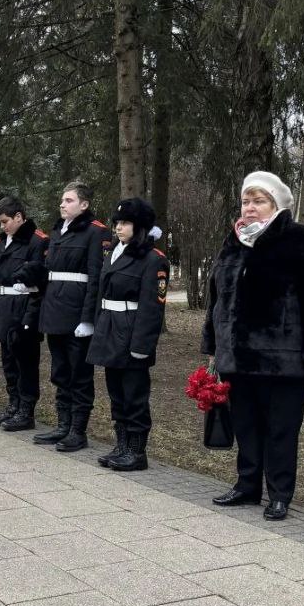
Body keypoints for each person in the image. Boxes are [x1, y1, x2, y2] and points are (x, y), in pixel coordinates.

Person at [203, 172, 304, 521]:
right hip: (238, 356)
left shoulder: (300, 239)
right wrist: (213, 344)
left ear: (276, 205)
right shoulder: (234, 240)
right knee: (246, 425)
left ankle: (279, 494)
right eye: (245, 201)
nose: (249, 207)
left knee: (281, 429)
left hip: (283, 358)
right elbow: (217, 298)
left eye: (258, 201)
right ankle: (247, 486)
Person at [87, 198, 169, 472]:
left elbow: (152, 308)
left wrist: (142, 346)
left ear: (140, 227)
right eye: (117, 223)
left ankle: (136, 451)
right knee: (116, 393)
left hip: (131, 331)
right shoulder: (113, 252)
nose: (118, 228)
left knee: (134, 395)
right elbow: (101, 294)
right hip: (110, 329)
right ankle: (121, 445)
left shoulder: (153, 259)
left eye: (125, 223)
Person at [36, 182, 110, 452]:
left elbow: (95, 278)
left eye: (69, 200)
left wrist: (88, 319)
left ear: (84, 204)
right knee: (60, 372)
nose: (62, 204)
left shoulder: (96, 232)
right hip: (54, 311)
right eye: (62, 200)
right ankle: (63, 425)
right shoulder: (58, 230)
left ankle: (78, 431)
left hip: (77, 313)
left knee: (79, 374)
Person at [0, 196, 49, 431]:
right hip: (5, 307)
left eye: (5, 221)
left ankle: (26, 410)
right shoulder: (3, 241)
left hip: (24, 308)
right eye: (0, 223)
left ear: (18, 217)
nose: (2, 226)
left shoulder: (36, 241)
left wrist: (30, 317)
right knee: (8, 361)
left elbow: (38, 282)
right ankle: (13, 404)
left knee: (26, 363)